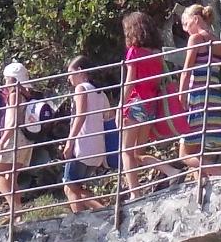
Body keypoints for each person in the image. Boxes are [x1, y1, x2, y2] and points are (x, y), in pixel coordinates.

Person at [119, 11, 179, 196]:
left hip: (136, 102)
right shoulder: (156, 53)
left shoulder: (134, 52)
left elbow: (130, 82)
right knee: (137, 153)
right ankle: (171, 171)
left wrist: (120, 105)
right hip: (150, 105)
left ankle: (134, 193)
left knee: (126, 152)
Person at [176, 4, 221, 176]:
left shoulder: (196, 39)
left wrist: (181, 96)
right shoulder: (218, 42)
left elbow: (187, 70)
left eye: (185, 23)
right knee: (198, 150)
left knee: (184, 154)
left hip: (197, 97)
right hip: (213, 97)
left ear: (196, 19)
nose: (185, 29)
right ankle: (201, 186)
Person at [61, 58, 114, 212]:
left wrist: (70, 142)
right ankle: (105, 211)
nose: (68, 78)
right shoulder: (100, 93)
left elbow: (81, 115)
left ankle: (81, 220)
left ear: (80, 71)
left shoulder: (81, 89)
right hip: (97, 148)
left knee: (70, 187)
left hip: (82, 147)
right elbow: (107, 116)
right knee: (75, 187)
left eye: (70, 73)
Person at [0, 60, 38, 215]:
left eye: (6, 78)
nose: (4, 82)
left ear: (12, 79)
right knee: (11, 178)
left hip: (14, 139)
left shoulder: (14, 95)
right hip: (26, 139)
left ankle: (16, 210)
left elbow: (11, 123)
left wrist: (0, 144)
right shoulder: (26, 95)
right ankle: (16, 214)